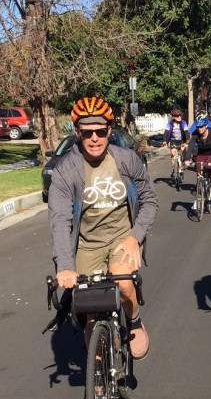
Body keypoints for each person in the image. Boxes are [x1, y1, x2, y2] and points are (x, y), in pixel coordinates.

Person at [48, 96, 158, 360]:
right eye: (87, 132)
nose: (94, 138)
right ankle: (98, 375)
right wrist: (65, 265)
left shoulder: (126, 160)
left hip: (122, 238)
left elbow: (150, 200)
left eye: (100, 131)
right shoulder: (66, 170)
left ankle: (133, 321)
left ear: (109, 130)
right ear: (78, 133)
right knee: (90, 309)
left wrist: (136, 237)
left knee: (122, 280)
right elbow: (60, 219)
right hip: (87, 244)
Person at [185, 118, 211, 210]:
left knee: (209, 165)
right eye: (198, 127)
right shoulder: (195, 134)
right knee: (199, 175)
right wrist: (187, 159)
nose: (200, 129)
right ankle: (199, 199)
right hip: (201, 154)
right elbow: (190, 147)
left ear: (206, 126)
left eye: (201, 127)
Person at [163, 108, 189, 177]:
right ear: (173, 117)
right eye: (177, 116)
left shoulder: (184, 123)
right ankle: (173, 169)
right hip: (173, 140)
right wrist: (164, 142)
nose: (179, 117)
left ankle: (182, 163)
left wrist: (187, 141)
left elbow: (186, 132)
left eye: (180, 115)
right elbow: (166, 133)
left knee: (183, 150)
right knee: (173, 153)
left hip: (181, 140)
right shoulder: (170, 123)